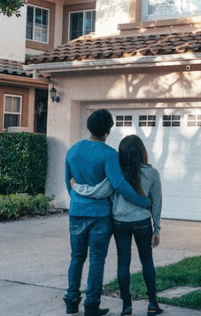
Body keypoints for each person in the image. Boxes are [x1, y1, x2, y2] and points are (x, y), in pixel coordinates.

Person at [64, 110, 151, 316]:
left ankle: (71, 300)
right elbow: (119, 184)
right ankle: (92, 305)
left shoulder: (73, 150)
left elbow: (67, 183)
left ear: (89, 127)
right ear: (108, 131)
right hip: (100, 216)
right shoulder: (109, 154)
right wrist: (143, 201)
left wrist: (78, 201)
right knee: (96, 259)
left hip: (76, 212)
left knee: (76, 257)